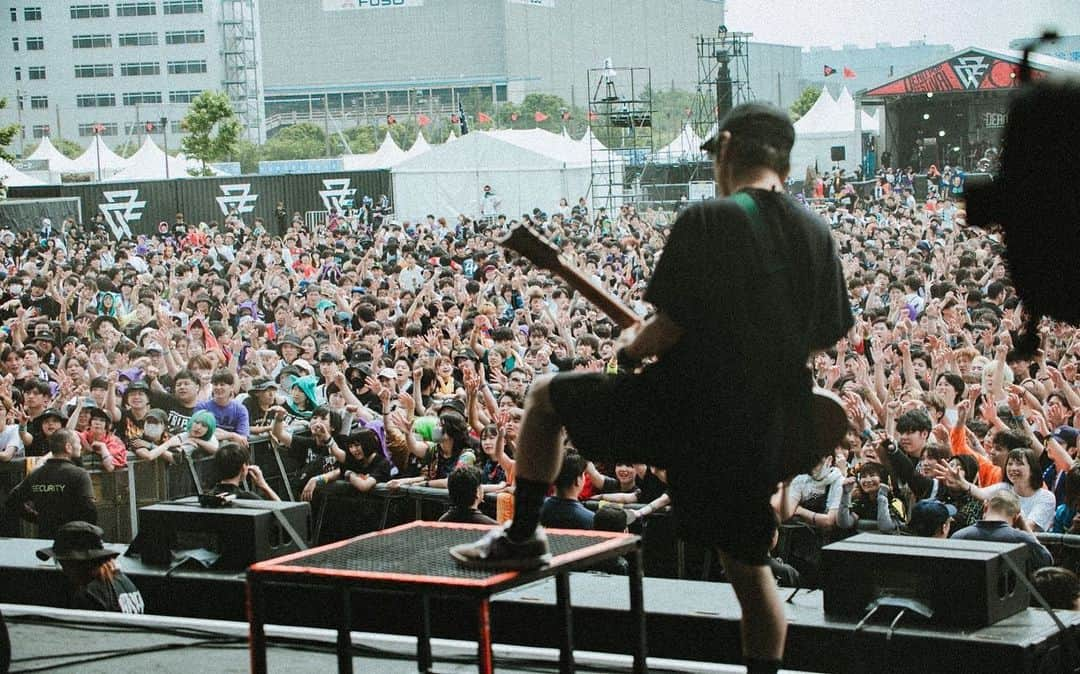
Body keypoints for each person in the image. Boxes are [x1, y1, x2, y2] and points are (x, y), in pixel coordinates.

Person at [451, 102, 853, 674]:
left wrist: (629, 349)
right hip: (759, 425)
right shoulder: (817, 234)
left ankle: (522, 535)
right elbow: (822, 337)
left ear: (730, 146)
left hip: (679, 407)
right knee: (750, 572)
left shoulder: (710, 220)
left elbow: (667, 329)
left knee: (543, 397)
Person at [36, 521, 144, 614]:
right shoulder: (126, 584)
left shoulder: (88, 597)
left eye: (62, 563)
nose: (64, 570)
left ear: (76, 563)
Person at [4, 430, 96, 538]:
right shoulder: (80, 474)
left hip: (46, 540)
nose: (81, 446)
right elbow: (90, 511)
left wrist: (38, 519)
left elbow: (12, 501)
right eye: (78, 443)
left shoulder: (36, 474)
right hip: (74, 541)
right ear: (68, 447)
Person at [951, 491, 1053, 570]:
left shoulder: (958, 537)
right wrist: (1026, 528)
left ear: (985, 508)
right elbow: (1046, 561)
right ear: (1016, 518)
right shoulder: (1022, 540)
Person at [208, 442, 279, 501]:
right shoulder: (249, 498)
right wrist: (264, 486)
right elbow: (284, 513)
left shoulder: (208, 497)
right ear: (244, 467)